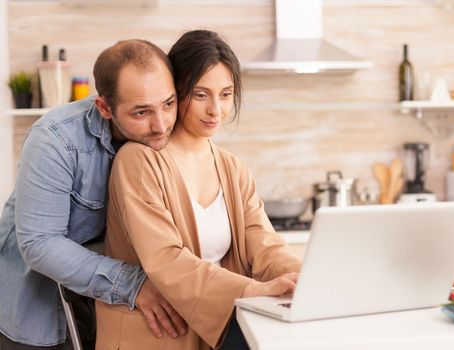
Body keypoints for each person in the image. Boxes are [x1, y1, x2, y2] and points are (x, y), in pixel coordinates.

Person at [95, 30, 302, 350]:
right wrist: (252, 290)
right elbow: (166, 260)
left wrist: (298, 274)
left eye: (226, 94)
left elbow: (263, 244)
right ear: (176, 92)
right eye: (201, 94)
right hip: (158, 335)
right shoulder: (139, 160)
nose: (215, 110)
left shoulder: (234, 169)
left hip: (215, 329)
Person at [0, 40, 188, 349]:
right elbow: (40, 244)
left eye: (168, 104)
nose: (161, 125)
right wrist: (135, 284)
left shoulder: (163, 132)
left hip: (102, 308)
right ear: (104, 107)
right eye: (141, 112)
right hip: (35, 311)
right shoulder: (54, 139)